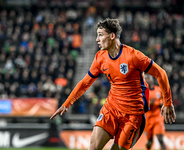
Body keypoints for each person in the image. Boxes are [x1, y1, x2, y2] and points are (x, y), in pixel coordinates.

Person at [50, 18, 176, 150]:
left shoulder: (134, 56)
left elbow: (161, 73)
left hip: (133, 115)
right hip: (111, 109)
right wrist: (67, 103)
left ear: (112, 35)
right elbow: (85, 82)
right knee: (93, 148)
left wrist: (167, 103)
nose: (97, 39)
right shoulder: (100, 57)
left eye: (100, 35)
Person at [144, 74, 167, 150]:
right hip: (148, 118)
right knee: (150, 141)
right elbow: (142, 104)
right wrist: (150, 103)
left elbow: (163, 101)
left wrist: (160, 103)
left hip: (158, 117)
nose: (149, 80)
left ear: (152, 80)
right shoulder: (144, 92)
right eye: (147, 79)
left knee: (160, 138)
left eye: (150, 79)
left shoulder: (158, 89)